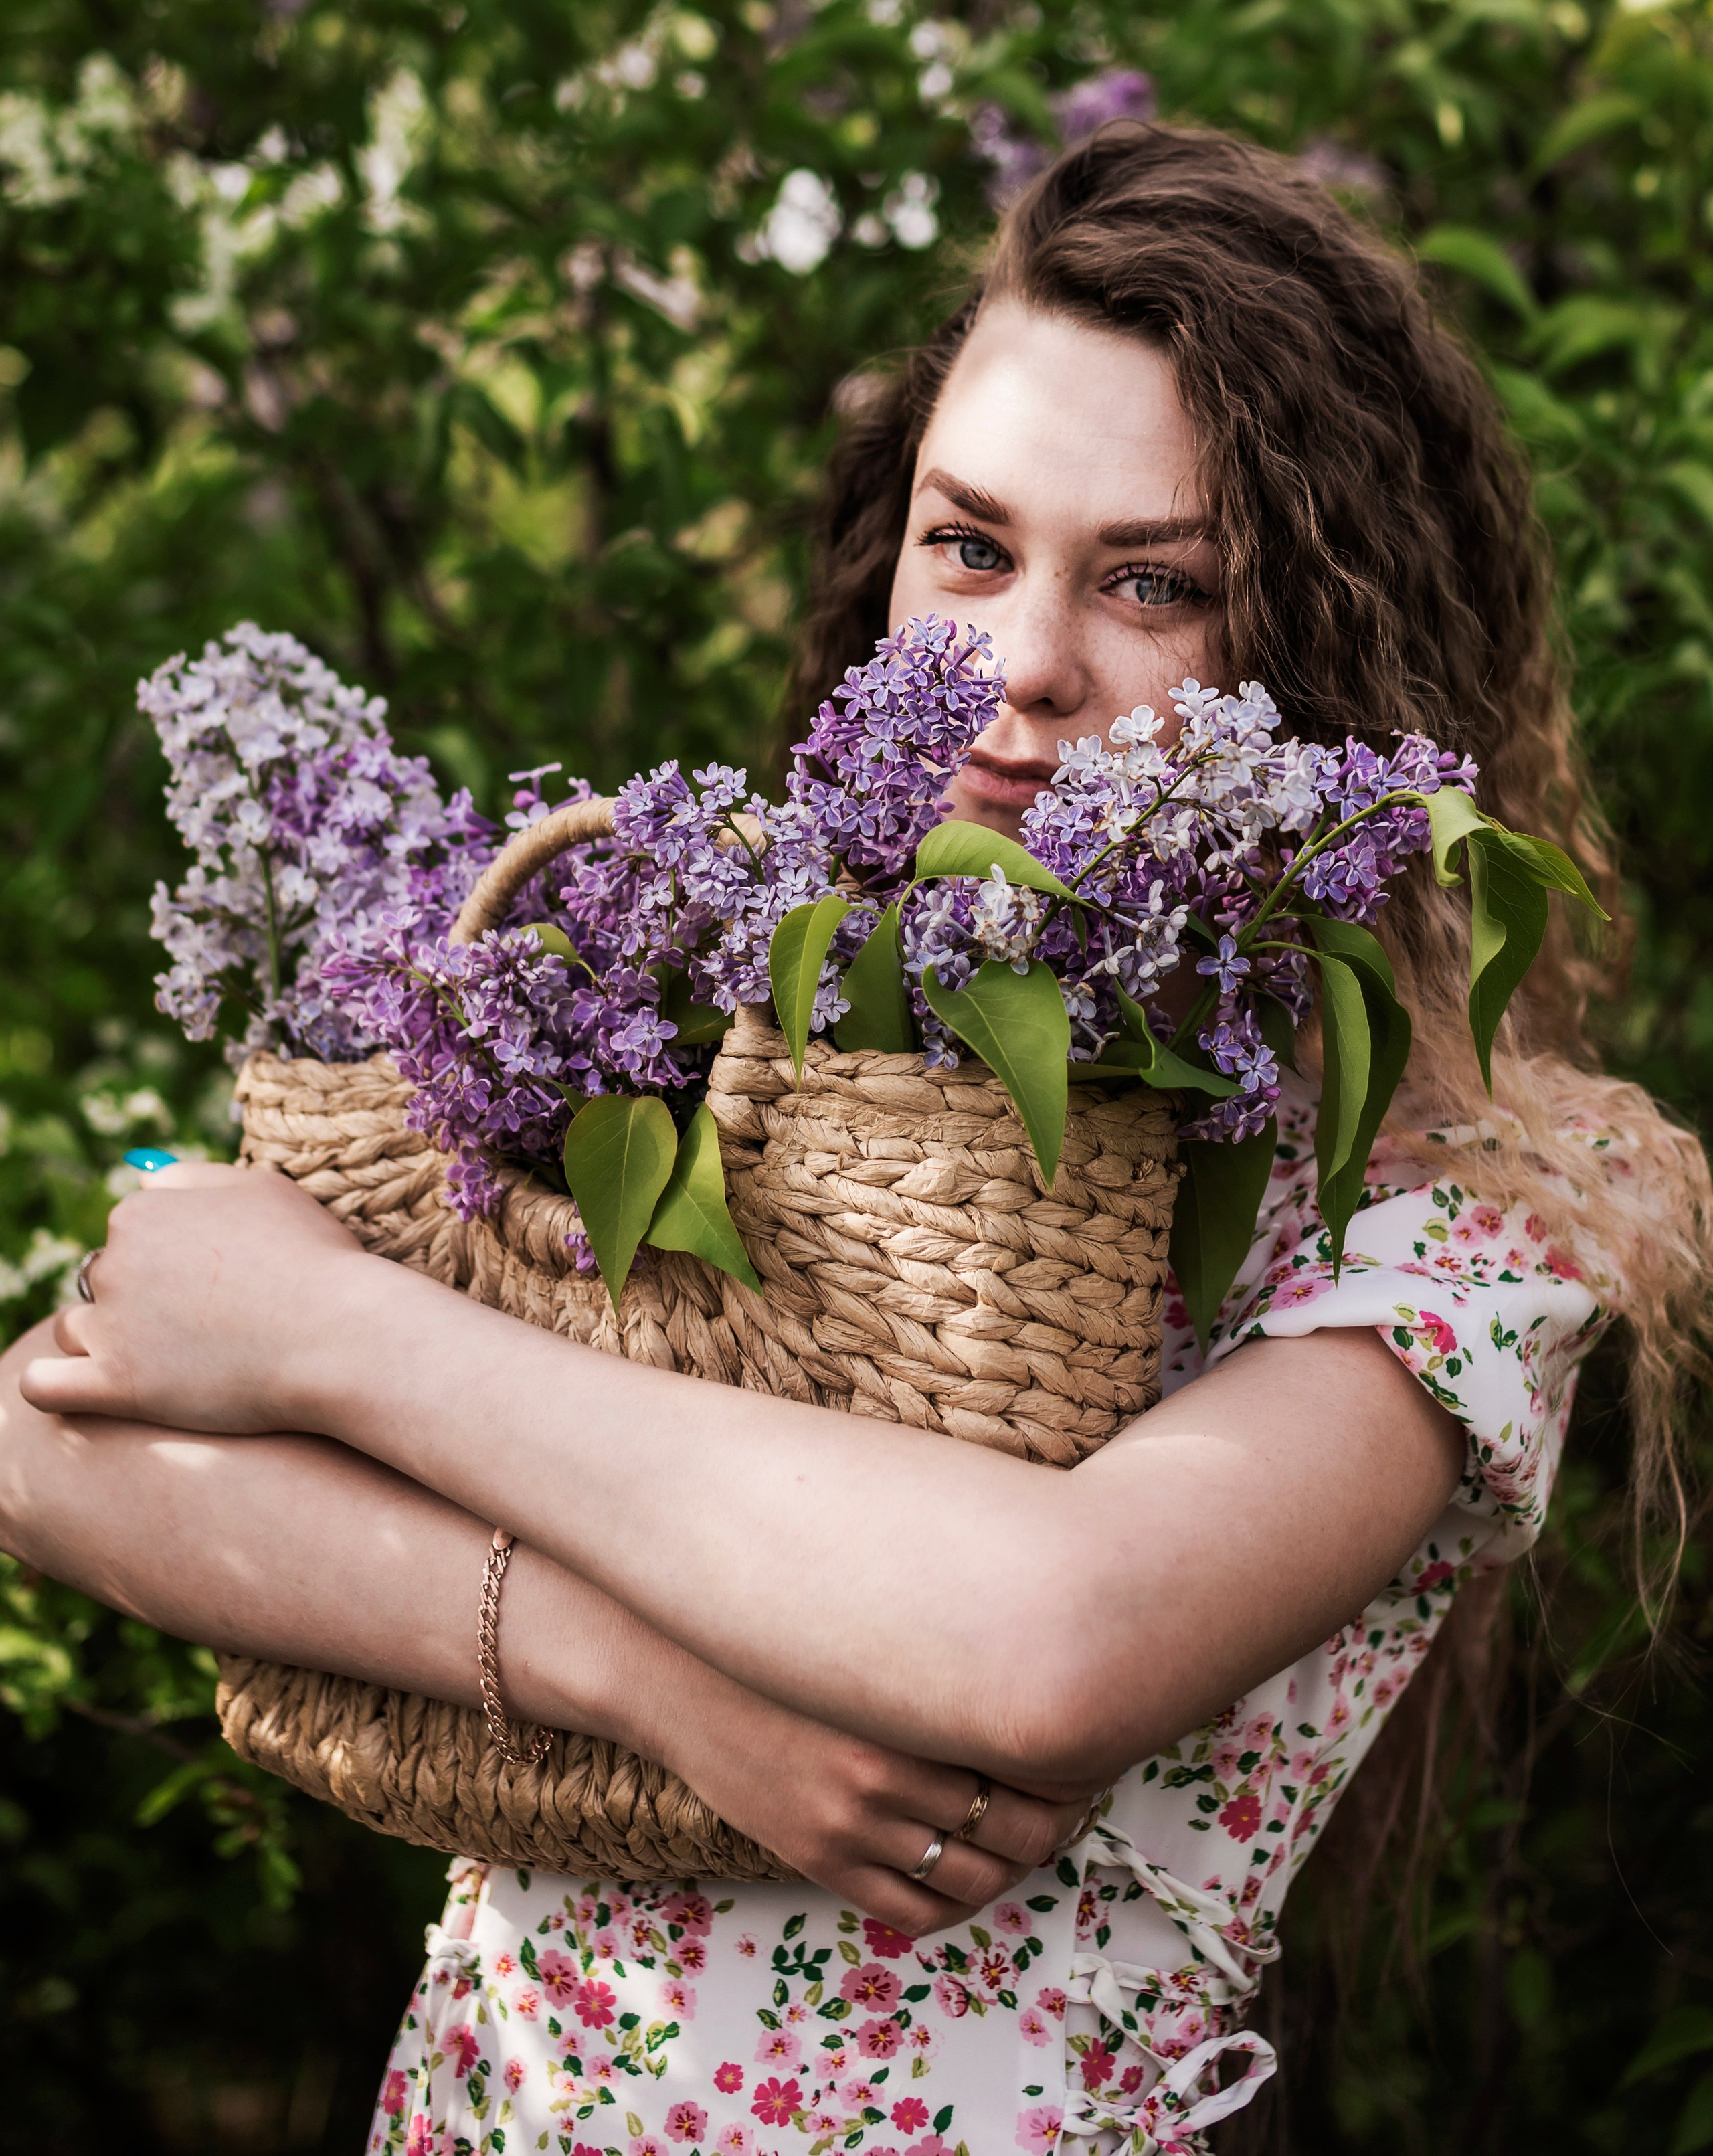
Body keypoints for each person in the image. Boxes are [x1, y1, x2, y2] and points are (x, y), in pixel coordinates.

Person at [3, 122, 1708, 2156]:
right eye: (969, 547)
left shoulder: (1471, 1199)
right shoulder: (706, 997)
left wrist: (331, 1341)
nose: (1020, 666)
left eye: (1153, 583)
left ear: (1340, 646)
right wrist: (653, 1686)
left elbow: (1049, 1639)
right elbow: (50, 1443)